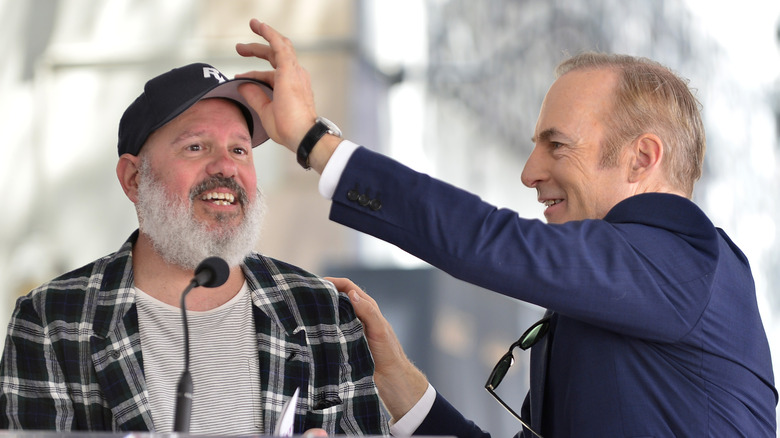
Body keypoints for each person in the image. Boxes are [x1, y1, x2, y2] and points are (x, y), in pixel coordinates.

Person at [233, 19, 778, 437]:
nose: (529, 173)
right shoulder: (617, 296)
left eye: (556, 145)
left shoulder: (684, 259)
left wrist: (313, 142)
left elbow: (490, 240)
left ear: (642, 158)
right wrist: (399, 381)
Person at [0, 62, 388, 435]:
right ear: (134, 179)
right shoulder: (50, 321)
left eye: (240, 150)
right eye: (196, 147)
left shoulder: (321, 312)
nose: (226, 167)